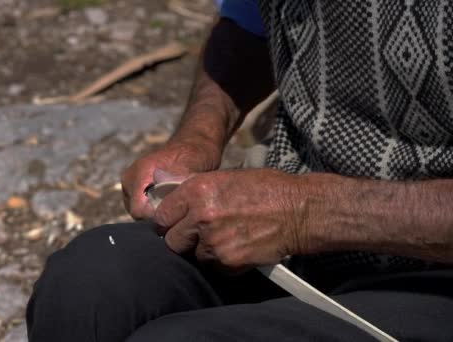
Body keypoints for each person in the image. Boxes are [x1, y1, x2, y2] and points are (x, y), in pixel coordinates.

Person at [26, 0, 453, 340]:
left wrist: (304, 212)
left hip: (433, 269)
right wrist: (198, 138)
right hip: (309, 249)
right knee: (87, 285)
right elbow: (250, 22)